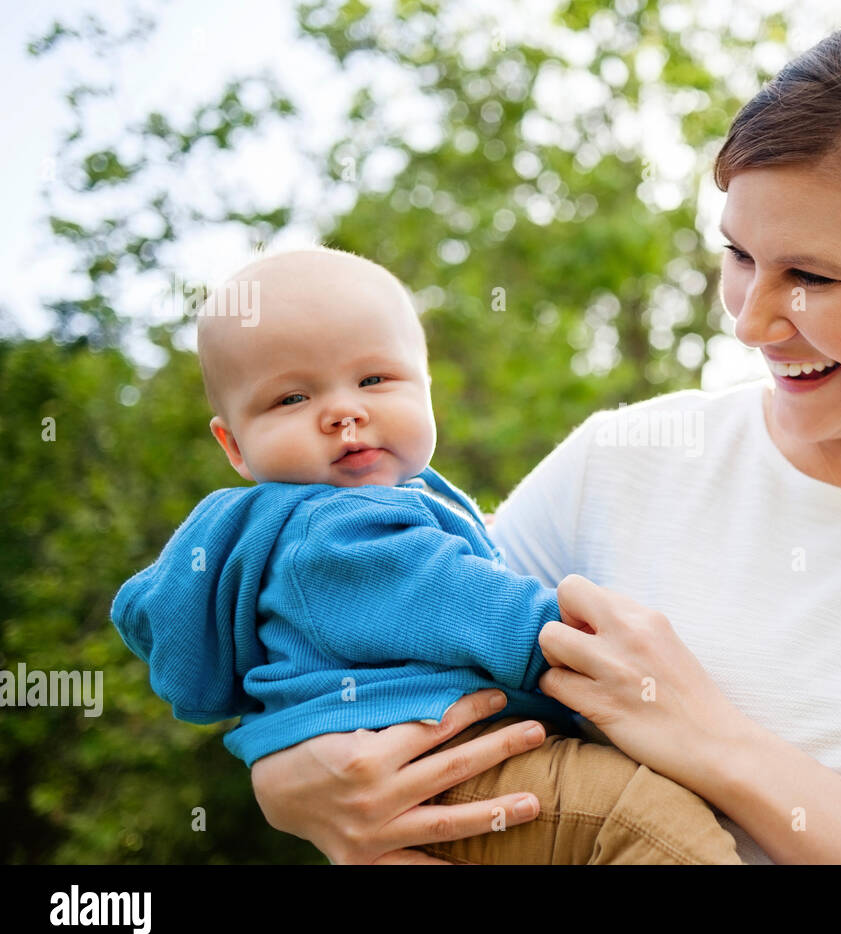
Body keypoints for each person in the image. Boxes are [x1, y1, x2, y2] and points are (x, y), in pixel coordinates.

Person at [246, 1, 841, 865]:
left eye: (812, 277)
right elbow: (374, 679)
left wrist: (721, 746)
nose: (749, 320)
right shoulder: (621, 462)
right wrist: (288, 787)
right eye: (740, 255)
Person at [110, 247, 743, 864]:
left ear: (426, 386)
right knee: (651, 823)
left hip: (431, 768)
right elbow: (460, 599)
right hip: (436, 766)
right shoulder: (329, 532)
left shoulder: (338, 522)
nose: (344, 412)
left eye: (373, 379)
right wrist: (583, 633)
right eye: (292, 399)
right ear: (235, 446)